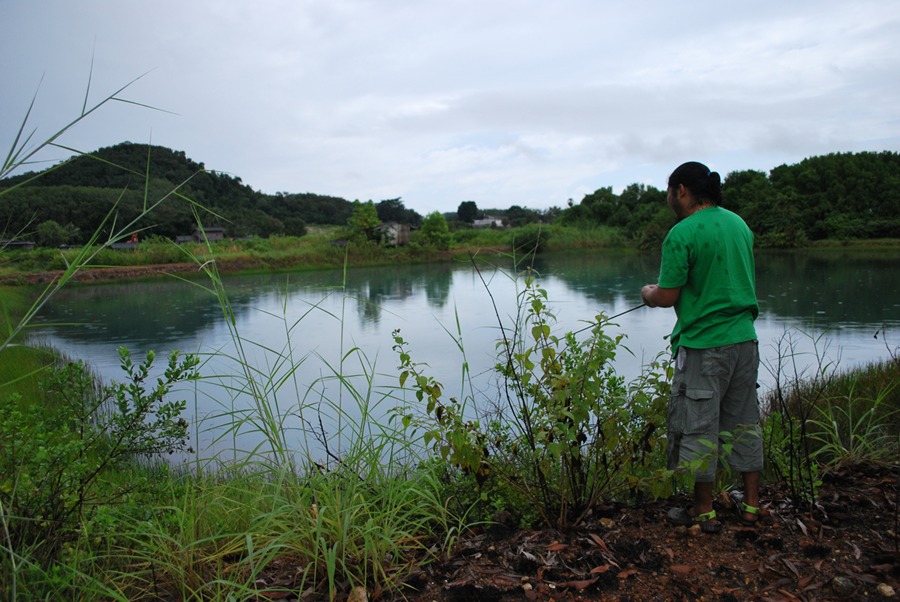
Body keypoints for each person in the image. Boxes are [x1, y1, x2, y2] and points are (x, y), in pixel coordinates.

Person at [641, 161, 762, 534]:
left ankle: (703, 510)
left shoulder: (682, 233)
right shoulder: (739, 224)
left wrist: (648, 294)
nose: (668, 199)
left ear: (681, 191)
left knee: (698, 426)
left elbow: (667, 295)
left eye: (669, 191)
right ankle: (753, 506)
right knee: (744, 421)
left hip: (704, 346)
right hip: (745, 341)